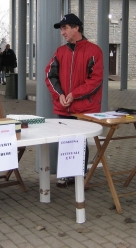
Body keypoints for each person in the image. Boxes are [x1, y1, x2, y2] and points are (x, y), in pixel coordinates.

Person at [45, 13, 104, 188]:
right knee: (65, 139)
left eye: (65, 28)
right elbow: (49, 76)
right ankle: (66, 174)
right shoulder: (60, 52)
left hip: (84, 107)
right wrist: (60, 95)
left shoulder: (94, 51)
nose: (62, 32)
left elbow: (96, 80)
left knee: (80, 141)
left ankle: (79, 174)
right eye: (61, 29)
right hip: (64, 107)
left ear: (76, 28)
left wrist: (74, 94)